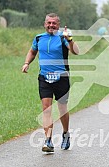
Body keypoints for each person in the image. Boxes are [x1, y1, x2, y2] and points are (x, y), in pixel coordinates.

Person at [21, 13, 79, 153]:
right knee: (46, 109)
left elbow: (76, 51)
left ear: (58, 25)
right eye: (49, 23)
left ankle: (66, 134)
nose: (51, 25)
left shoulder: (62, 37)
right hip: (44, 77)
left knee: (62, 108)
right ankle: (48, 140)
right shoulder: (39, 38)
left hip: (61, 78)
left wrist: (70, 39)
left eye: (54, 23)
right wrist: (27, 63)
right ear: (44, 23)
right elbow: (32, 51)